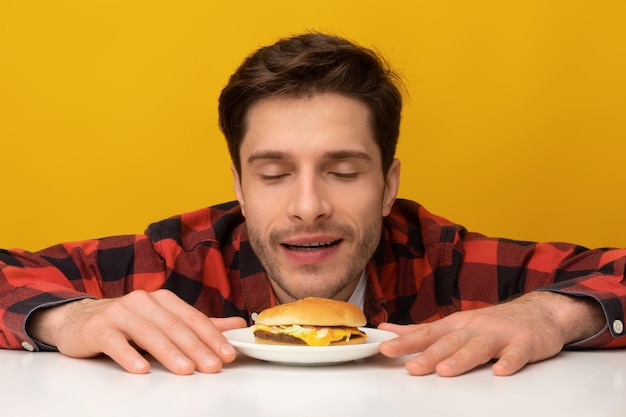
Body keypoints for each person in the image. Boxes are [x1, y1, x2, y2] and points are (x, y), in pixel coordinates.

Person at [1, 32, 625, 378]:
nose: (308, 207)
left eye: (344, 171)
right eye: (273, 174)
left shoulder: (443, 260)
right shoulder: (180, 261)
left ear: (387, 187)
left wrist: (553, 315)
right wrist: (64, 319)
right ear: (240, 188)